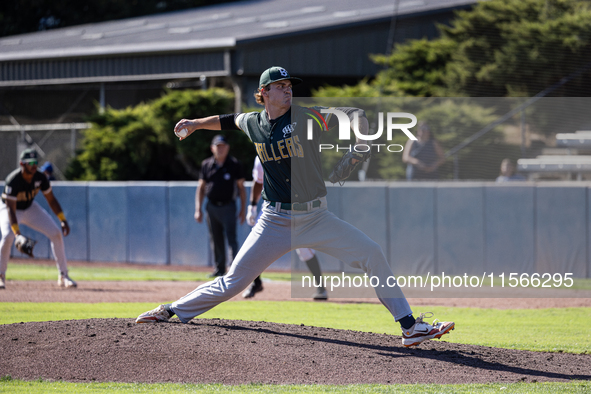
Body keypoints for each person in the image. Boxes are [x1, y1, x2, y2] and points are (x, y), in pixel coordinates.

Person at [137, 66, 454, 347]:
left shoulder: (306, 116)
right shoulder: (253, 122)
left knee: (371, 253)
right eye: (281, 86)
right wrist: (194, 123)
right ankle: (172, 309)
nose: (288, 90)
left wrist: (360, 135)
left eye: (290, 86)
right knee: (234, 280)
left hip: (317, 217)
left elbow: (352, 114)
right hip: (274, 221)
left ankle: (410, 327)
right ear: (263, 93)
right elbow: (226, 120)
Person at [242, 156, 328, 300]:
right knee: (256, 245)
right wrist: (252, 205)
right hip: (271, 209)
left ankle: (320, 287)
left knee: (305, 249)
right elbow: (258, 181)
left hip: (296, 208)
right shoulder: (261, 154)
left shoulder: (293, 151)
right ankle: (256, 283)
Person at [0, 149, 76, 289]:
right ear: (22, 164)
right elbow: (11, 209)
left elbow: (51, 200)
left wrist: (62, 219)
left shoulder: (40, 177)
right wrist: (17, 234)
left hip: (29, 208)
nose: (34, 166)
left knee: (56, 233)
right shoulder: (13, 180)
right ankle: (0, 276)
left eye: (36, 162)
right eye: (30, 163)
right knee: (7, 237)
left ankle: (63, 276)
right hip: (9, 209)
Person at [195, 135, 246, 277]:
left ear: (228, 147)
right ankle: (219, 269)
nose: (221, 149)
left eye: (223, 146)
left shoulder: (235, 164)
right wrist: (198, 209)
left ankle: (234, 269)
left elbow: (241, 188)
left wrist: (243, 209)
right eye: (218, 146)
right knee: (215, 238)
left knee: (231, 238)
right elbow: (201, 187)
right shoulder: (206, 164)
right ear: (212, 148)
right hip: (211, 206)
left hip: (229, 206)